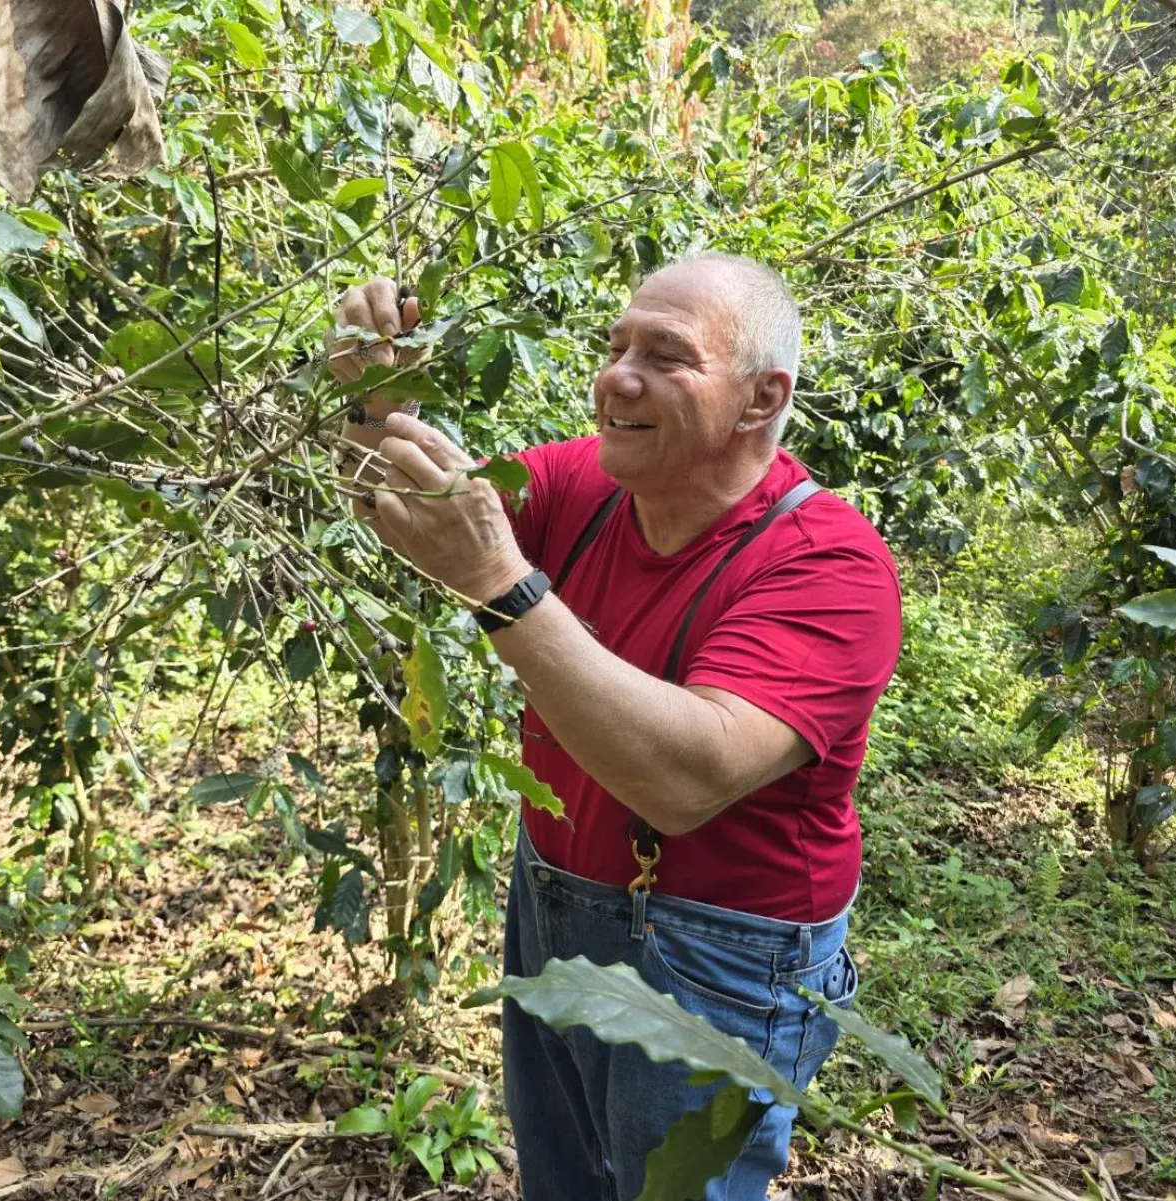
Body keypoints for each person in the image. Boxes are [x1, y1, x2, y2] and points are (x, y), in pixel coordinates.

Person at [326, 253, 903, 1201]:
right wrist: (369, 396)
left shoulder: (831, 565)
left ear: (762, 399)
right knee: (564, 1182)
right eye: (616, 344)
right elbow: (403, 508)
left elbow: (686, 778)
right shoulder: (588, 484)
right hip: (554, 895)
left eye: (666, 356)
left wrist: (503, 589)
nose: (617, 377)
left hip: (721, 953)